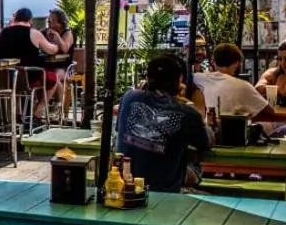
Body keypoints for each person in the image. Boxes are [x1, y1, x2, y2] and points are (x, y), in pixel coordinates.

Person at [117, 53, 213, 192]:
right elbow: (206, 142)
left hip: (125, 186)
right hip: (165, 191)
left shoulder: (129, 98)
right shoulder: (187, 112)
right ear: (180, 81)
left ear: (148, 78)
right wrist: (188, 106)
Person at [195, 43, 273, 122]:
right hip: (235, 132)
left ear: (213, 62)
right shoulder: (243, 86)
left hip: (209, 130)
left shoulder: (199, 78)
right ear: (237, 63)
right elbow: (270, 111)